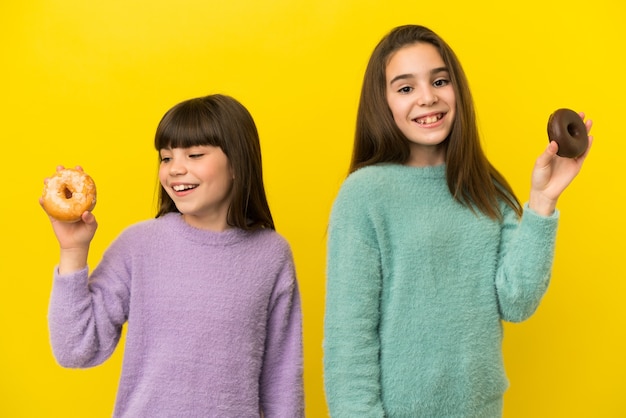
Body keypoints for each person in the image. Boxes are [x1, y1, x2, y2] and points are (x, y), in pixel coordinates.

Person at [323, 25, 593, 417]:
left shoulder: (486, 190)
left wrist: (542, 201)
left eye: (439, 80)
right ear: (382, 103)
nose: (428, 97)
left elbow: (516, 302)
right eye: (405, 88)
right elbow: (349, 340)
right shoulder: (365, 195)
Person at [42, 94, 304, 417]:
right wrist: (72, 250)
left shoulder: (272, 256)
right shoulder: (139, 245)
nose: (175, 170)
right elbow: (75, 349)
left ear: (237, 163)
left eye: (194, 154)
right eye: (166, 158)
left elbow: (283, 383)